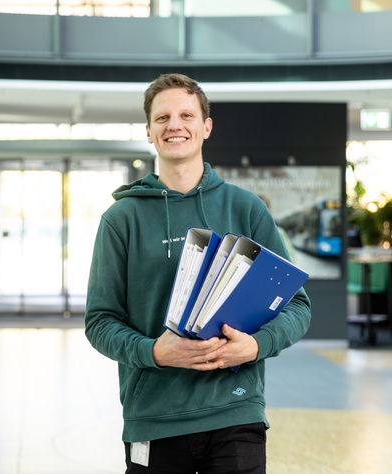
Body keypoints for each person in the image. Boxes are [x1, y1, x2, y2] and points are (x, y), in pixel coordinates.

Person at [84, 74, 311, 473]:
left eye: (187, 114)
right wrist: (154, 351)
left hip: (235, 413)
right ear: (150, 132)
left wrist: (256, 346)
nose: (175, 125)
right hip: (154, 417)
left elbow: (297, 305)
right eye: (163, 117)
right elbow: (100, 321)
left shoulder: (245, 209)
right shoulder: (121, 219)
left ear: (206, 127)